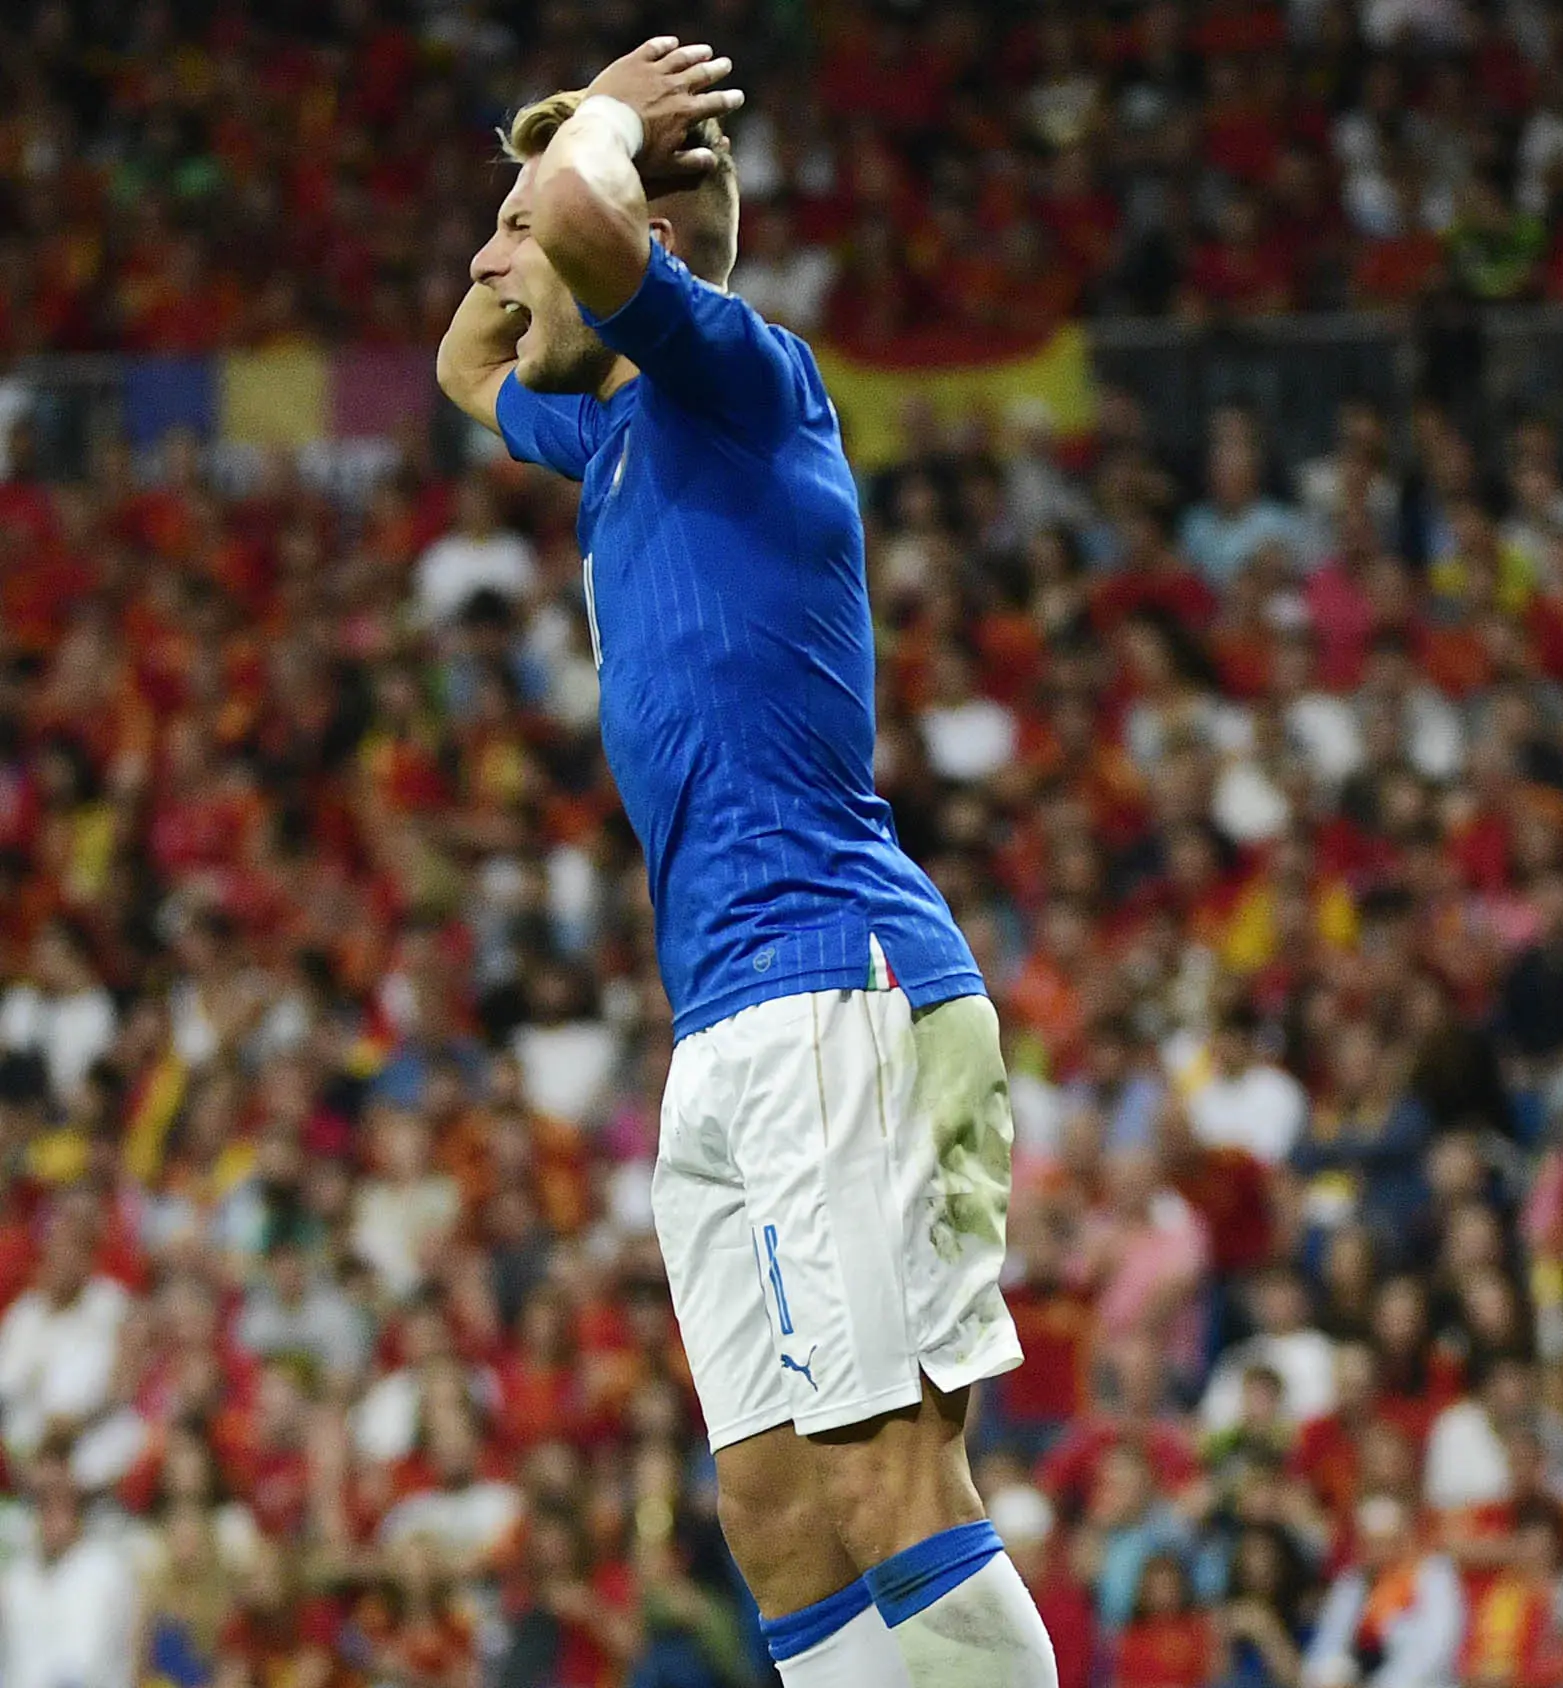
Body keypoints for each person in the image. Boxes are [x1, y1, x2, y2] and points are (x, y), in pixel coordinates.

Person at [433, 37, 1050, 1688]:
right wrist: (557, 197)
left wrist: (609, 133)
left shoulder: (738, 373)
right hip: (727, 1015)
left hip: (838, 981)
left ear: (635, 240)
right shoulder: (615, 433)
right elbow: (456, 366)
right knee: (775, 1506)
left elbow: (573, 220)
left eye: (510, 231)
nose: (491, 265)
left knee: (883, 1471)